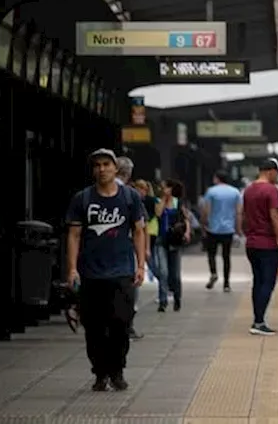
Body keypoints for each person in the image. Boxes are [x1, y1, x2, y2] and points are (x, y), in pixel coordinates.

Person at [65, 149, 147, 392]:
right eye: (97, 165)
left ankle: (117, 369)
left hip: (122, 271)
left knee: (121, 322)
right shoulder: (83, 198)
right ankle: (100, 373)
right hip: (91, 273)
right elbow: (74, 234)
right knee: (94, 327)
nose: (102, 169)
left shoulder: (130, 197)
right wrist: (72, 269)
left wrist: (141, 265)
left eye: (106, 164)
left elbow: (139, 231)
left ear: (115, 168)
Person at [243, 159, 278, 335]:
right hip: (267, 244)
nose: (277, 176)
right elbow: (275, 218)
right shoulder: (271, 190)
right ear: (270, 171)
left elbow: (244, 216)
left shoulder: (248, 190)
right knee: (267, 283)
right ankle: (259, 322)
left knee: (258, 281)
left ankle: (258, 320)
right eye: (277, 172)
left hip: (252, 243)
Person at [114, 156, 144, 341]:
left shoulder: (91, 194)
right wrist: (141, 263)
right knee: (128, 290)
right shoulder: (129, 194)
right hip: (124, 250)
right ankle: (126, 327)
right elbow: (139, 229)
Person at [153, 180, 192, 312]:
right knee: (163, 272)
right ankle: (163, 301)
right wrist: (164, 199)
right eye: (162, 188)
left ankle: (177, 298)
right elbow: (158, 214)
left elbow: (186, 218)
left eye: (165, 188)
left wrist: (187, 232)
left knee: (175, 274)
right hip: (161, 240)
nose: (163, 190)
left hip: (175, 240)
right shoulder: (159, 202)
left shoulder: (178, 202)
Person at [201, 171, 242, 292]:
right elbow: (239, 212)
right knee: (226, 256)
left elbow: (206, 209)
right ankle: (226, 284)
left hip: (213, 228)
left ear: (217, 179)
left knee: (211, 254)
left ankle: (213, 273)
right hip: (228, 229)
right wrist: (238, 229)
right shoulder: (235, 192)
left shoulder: (211, 191)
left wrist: (204, 223)